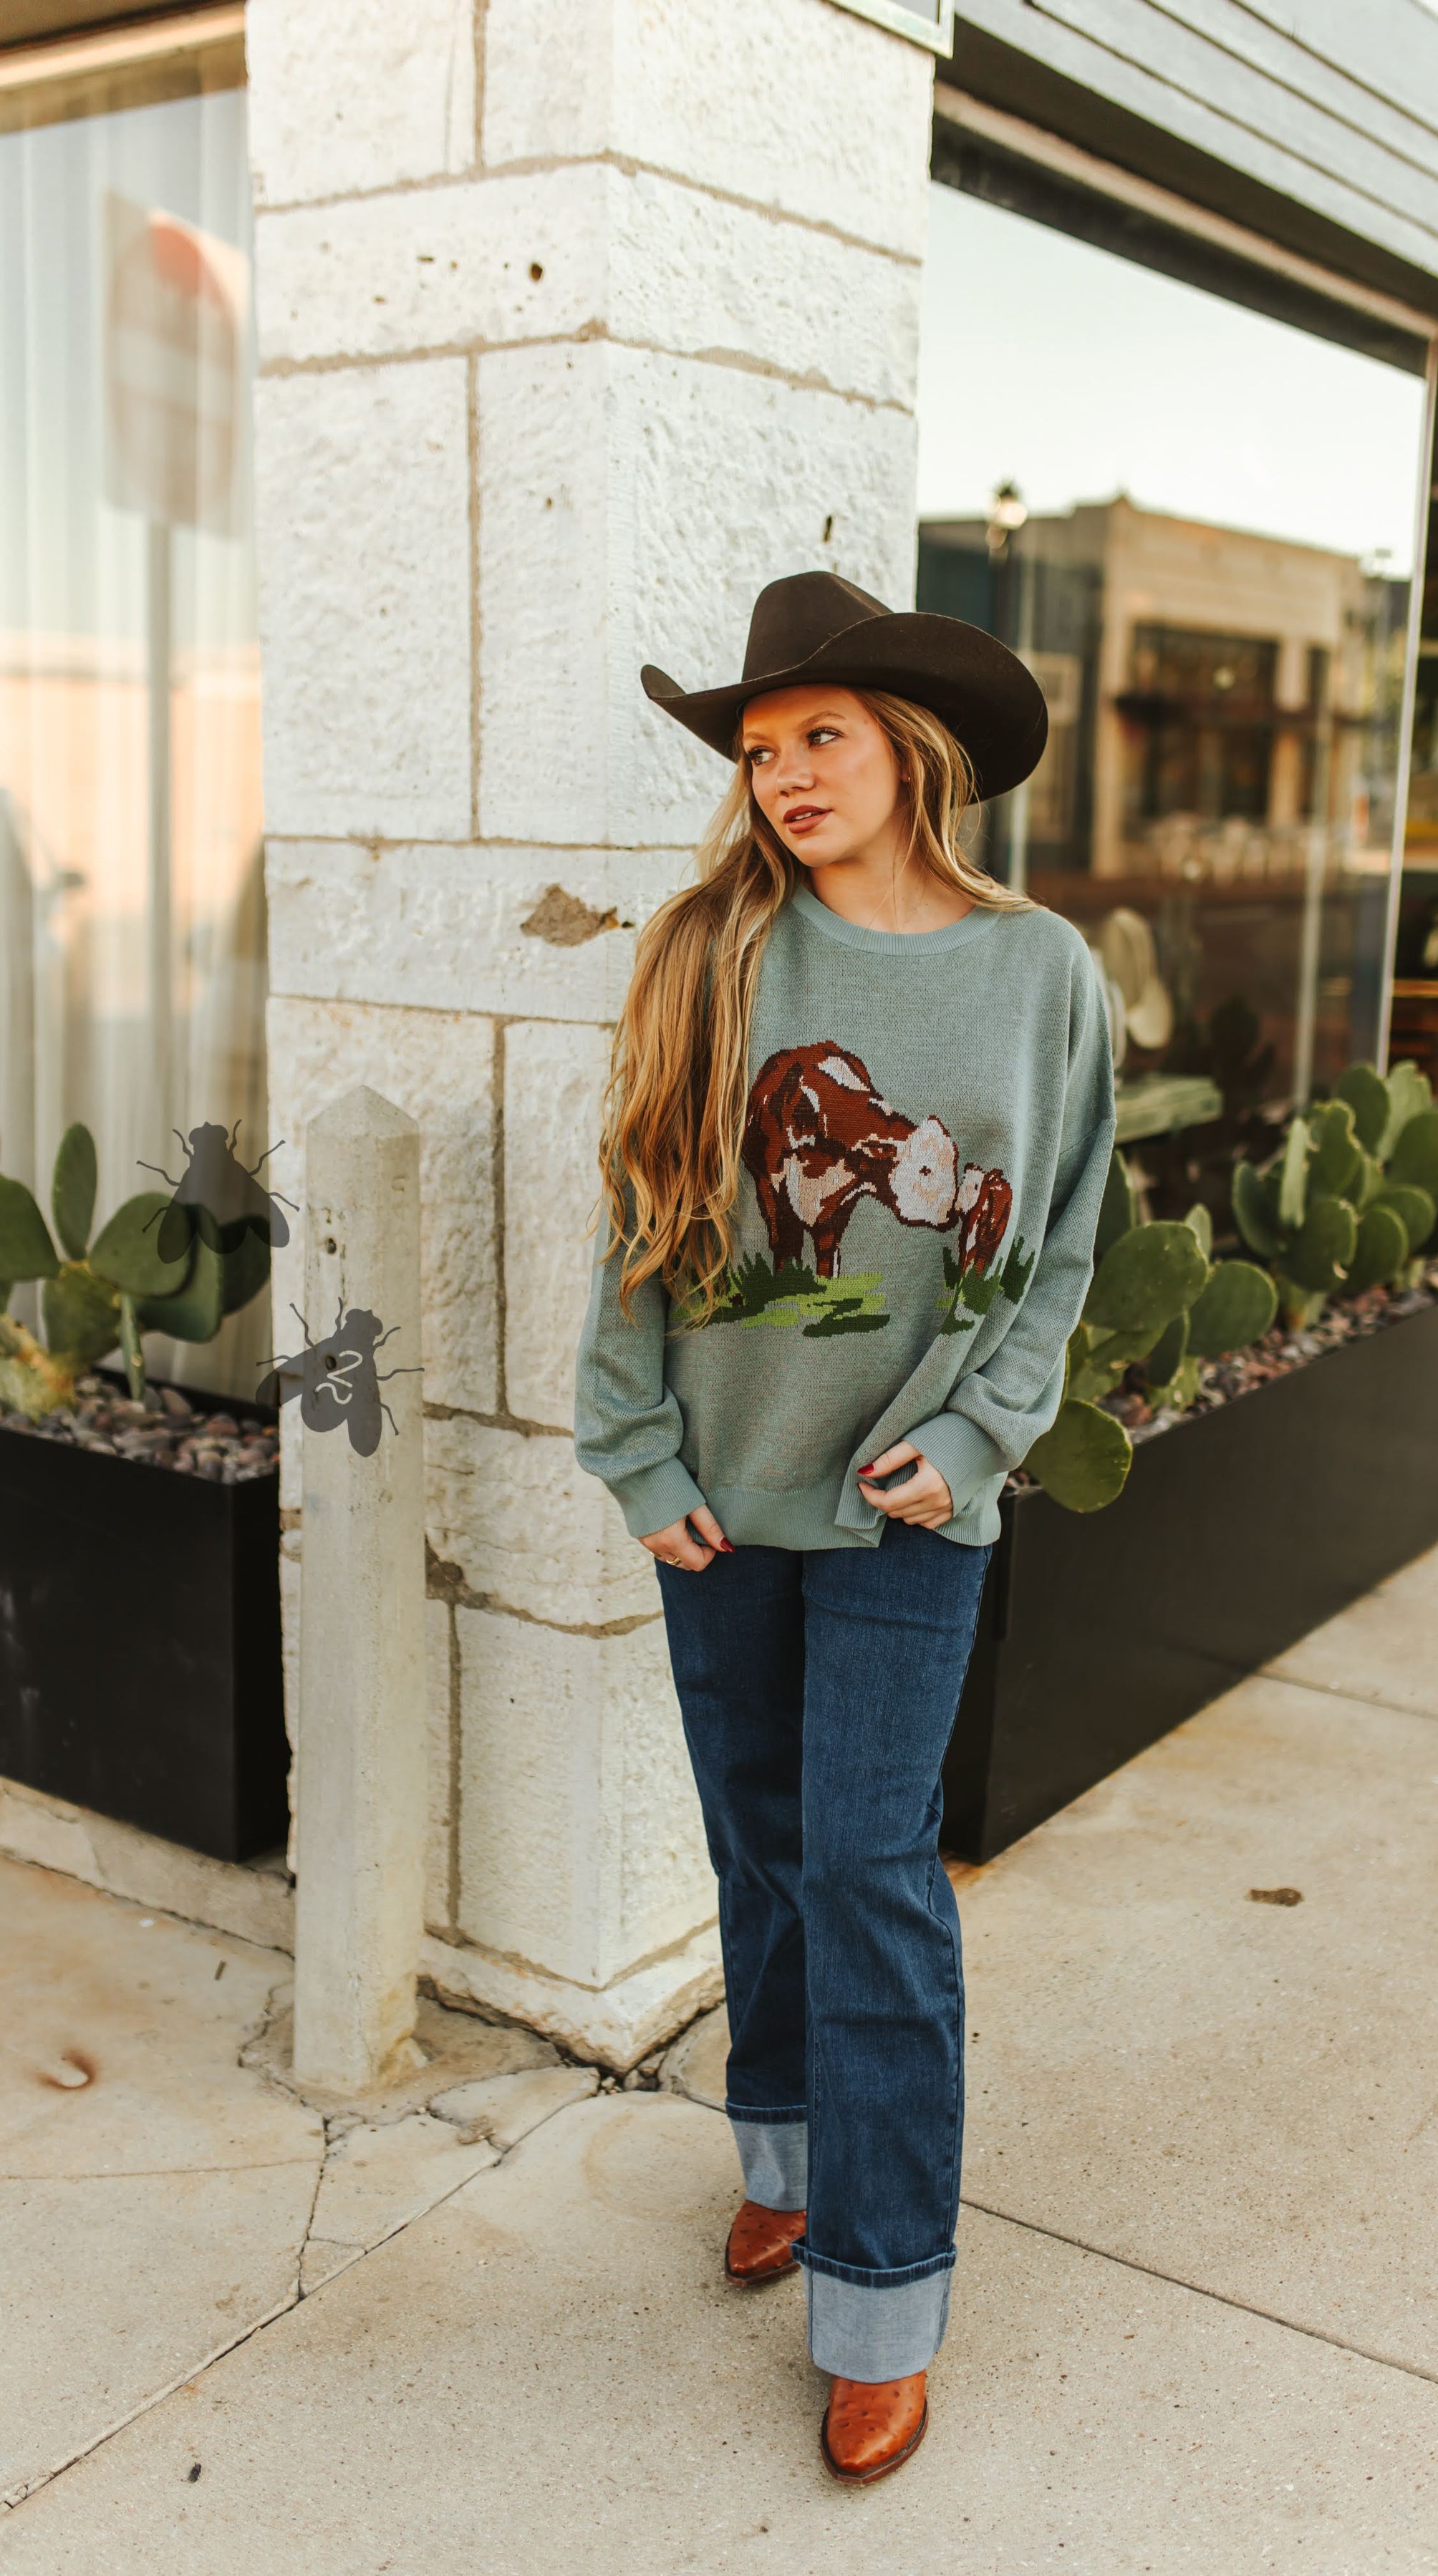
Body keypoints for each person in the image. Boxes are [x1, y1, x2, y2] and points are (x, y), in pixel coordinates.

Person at [574, 571, 1116, 2484]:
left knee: (873, 1869)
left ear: (911, 748)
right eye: (758, 749)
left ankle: (882, 2294)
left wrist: (979, 1434)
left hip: (908, 1506)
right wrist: (636, 1453)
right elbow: (642, 1210)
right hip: (720, 1497)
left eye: (822, 735)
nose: (787, 775)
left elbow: (1059, 1234)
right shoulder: (709, 950)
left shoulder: (1041, 971)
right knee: (762, 1845)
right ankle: (786, 2157)